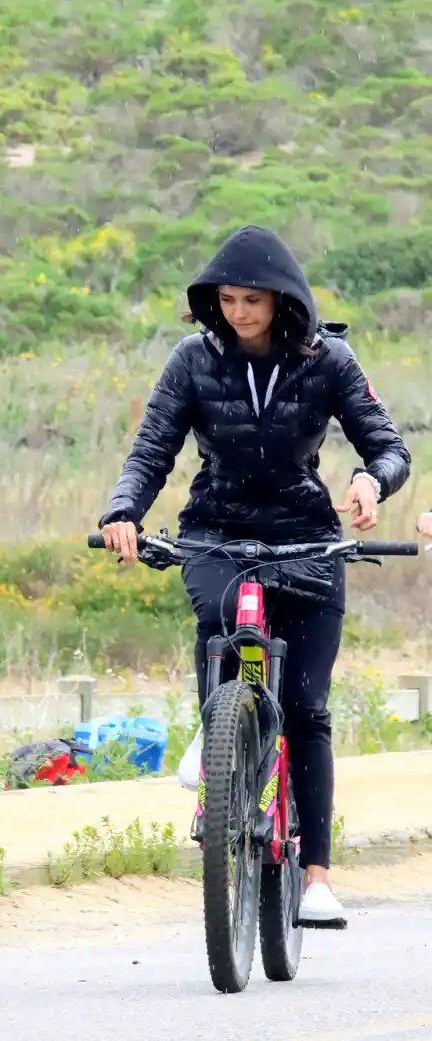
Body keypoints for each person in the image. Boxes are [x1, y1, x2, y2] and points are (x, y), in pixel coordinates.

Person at [99, 224, 411, 926]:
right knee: (218, 617)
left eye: (252, 301)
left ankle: (318, 878)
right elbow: (152, 449)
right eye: (228, 300)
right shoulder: (191, 361)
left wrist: (368, 481)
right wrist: (124, 510)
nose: (238, 312)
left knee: (306, 707)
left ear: (282, 302)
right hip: (218, 530)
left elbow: (388, 445)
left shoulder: (329, 360)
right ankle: (220, 730)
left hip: (307, 540)